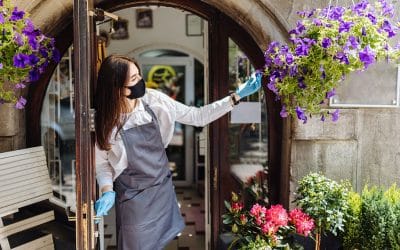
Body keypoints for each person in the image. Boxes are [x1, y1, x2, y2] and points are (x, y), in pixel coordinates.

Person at [94, 54, 262, 250]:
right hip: (134, 200)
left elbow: (197, 116)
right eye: (133, 79)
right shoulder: (105, 121)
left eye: (139, 75)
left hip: (161, 190)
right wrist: (107, 190)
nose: (140, 82)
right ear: (116, 88)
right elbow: (102, 163)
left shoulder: (154, 100)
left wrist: (235, 97)